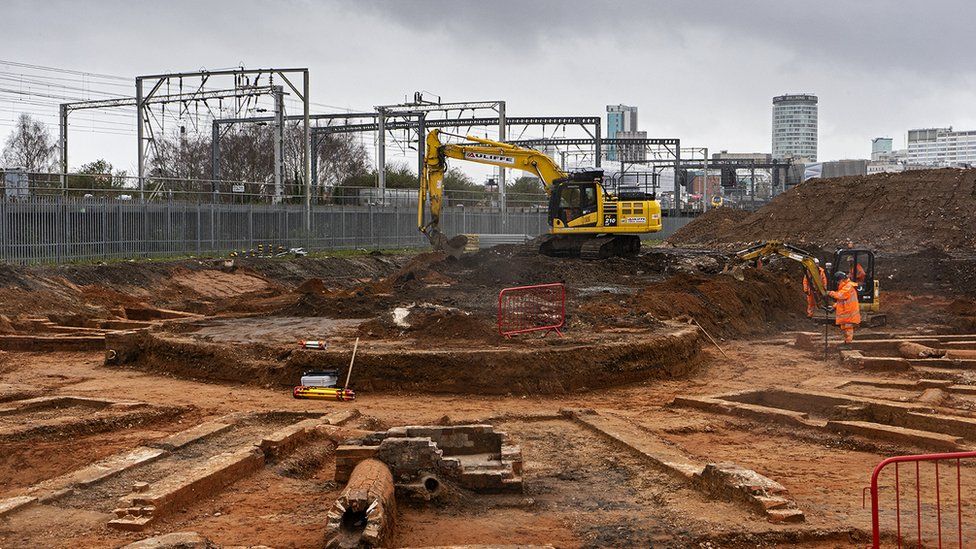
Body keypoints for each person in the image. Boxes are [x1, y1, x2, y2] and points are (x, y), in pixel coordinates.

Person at [828, 271, 861, 346]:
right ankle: (847, 342)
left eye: (838, 281)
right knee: (846, 329)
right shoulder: (846, 286)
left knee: (848, 328)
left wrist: (830, 293)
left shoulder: (848, 286)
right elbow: (842, 300)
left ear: (841, 280)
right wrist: (834, 307)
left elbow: (840, 295)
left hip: (849, 312)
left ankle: (848, 344)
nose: (837, 283)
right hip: (847, 311)